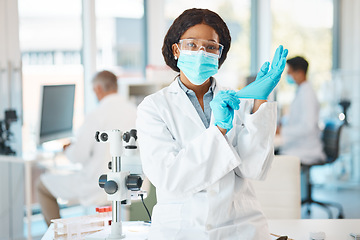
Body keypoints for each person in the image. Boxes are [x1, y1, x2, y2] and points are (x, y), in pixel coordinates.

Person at [136, 8, 288, 240]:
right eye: (192, 44)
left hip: (240, 227)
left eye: (210, 47)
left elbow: (254, 169)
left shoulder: (238, 99)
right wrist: (219, 131)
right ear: (176, 49)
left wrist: (259, 103)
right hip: (180, 230)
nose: (201, 52)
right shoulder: (154, 107)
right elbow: (170, 179)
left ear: (219, 53)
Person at [36, 70, 137, 226]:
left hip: (99, 185)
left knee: (42, 185)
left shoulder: (97, 114)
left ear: (98, 89)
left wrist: (68, 149)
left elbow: (78, 156)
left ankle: (59, 236)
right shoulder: (135, 110)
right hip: (130, 184)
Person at [278, 56, 326, 165]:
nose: (287, 76)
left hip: (307, 148)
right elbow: (296, 117)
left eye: (289, 73)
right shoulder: (302, 91)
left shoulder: (307, 94)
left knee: (275, 158)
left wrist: (283, 131)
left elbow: (307, 127)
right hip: (300, 143)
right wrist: (283, 123)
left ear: (300, 73)